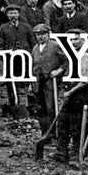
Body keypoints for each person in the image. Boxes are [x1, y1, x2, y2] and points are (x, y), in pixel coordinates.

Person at [53, 27, 88, 165]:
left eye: (76, 39)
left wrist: (69, 93)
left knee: (77, 127)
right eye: (70, 40)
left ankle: (78, 155)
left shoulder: (85, 56)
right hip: (70, 94)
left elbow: (85, 81)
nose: (73, 42)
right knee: (63, 123)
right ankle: (61, 153)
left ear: (84, 39)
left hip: (80, 95)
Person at [0, 5, 35, 118]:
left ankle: (28, 108)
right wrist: (4, 57)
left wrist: (31, 55)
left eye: (15, 13)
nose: (13, 15)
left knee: (26, 83)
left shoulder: (26, 27)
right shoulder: (3, 28)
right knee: (11, 84)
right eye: (10, 13)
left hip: (25, 60)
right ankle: (14, 108)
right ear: (7, 15)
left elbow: (32, 43)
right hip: (11, 61)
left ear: (19, 14)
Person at [29, 23, 62, 160]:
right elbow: (33, 66)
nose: (40, 37)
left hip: (50, 81)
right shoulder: (35, 48)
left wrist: (58, 71)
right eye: (38, 35)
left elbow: (66, 62)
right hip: (38, 82)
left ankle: (54, 133)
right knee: (40, 109)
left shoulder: (55, 46)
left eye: (43, 34)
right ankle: (45, 133)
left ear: (48, 34)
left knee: (51, 108)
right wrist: (31, 83)